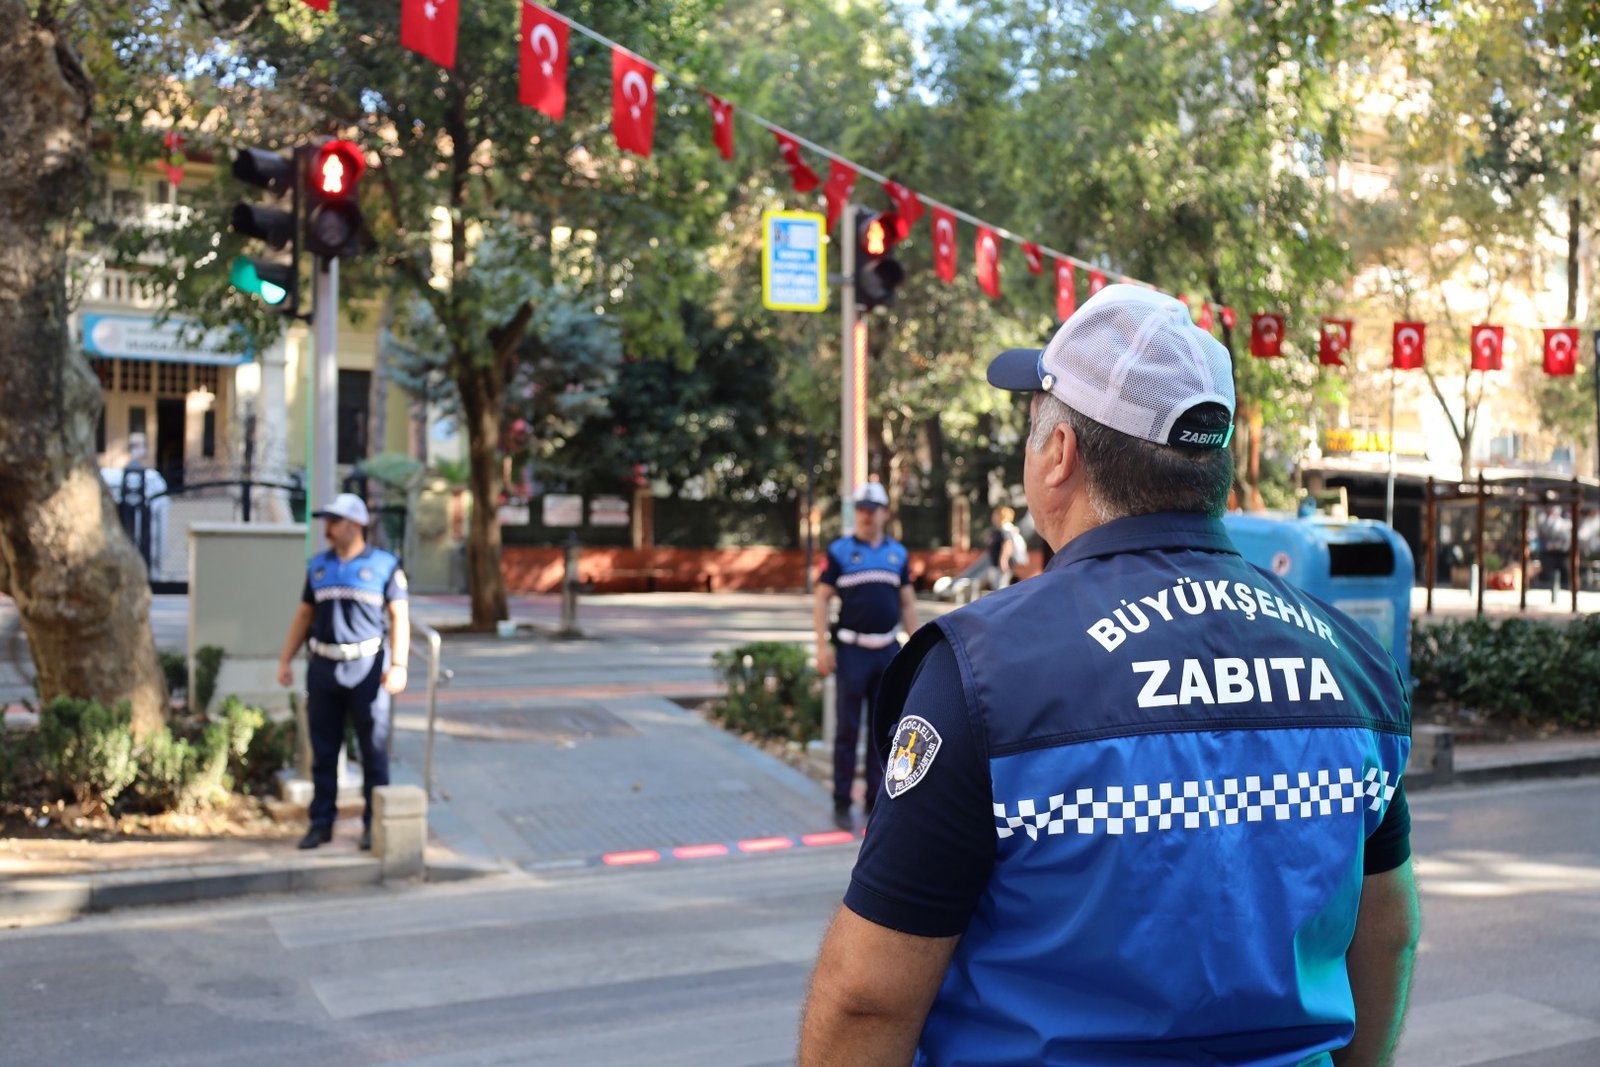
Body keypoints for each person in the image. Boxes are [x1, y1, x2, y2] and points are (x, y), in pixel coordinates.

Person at [800, 285, 1418, 1066]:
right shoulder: (1353, 662)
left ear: (1059, 454)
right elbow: (1388, 936)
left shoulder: (983, 674)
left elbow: (869, 998)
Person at [276, 492, 410, 851]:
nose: (328, 528)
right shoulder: (319, 566)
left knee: (373, 752)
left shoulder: (384, 565)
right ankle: (321, 823)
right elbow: (304, 614)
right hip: (323, 668)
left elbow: (399, 616)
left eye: (334, 521)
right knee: (323, 752)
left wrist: (399, 665)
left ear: (355, 525)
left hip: (367, 669)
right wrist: (285, 659)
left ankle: (373, 826)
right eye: (327, 521)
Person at [814, 481, 919, 831]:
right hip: (852, 651)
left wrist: (917, 647)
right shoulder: (840, 551)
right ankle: (841, 798)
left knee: (884, 730)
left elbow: (907, 603)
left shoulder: (897, 554)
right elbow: (821, 598)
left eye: (872, 511)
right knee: (847, 728)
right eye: (860, 510)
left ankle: (877, 798)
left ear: (884, 513)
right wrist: (822, 645)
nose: (866, 516)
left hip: (887, 651)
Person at [981, 506, 1022, 594]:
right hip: (995, 563)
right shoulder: (997, 530)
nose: (993, 517)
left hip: (1001, 564)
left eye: (995, 515)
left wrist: (1004, 560)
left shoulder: (1005, 529)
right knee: (997, 586)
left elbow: (1008, 545)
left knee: (1001, 587)